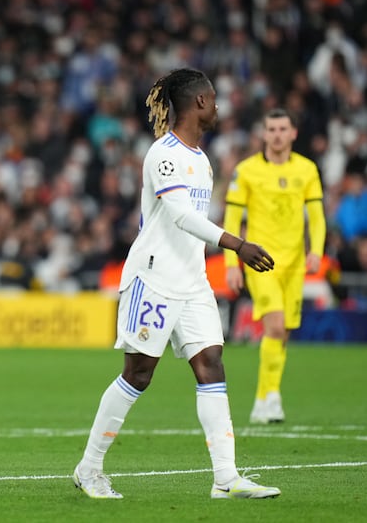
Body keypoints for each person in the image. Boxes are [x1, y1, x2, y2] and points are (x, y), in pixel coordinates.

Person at [72, 68, 280, 500]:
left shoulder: (201, 160)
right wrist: (237, 245)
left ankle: (226, 478)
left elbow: (192, 224)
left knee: (211, 365)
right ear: (199, 102)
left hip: (193, 282)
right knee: (139, 374)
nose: (219, 106)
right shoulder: (163, 155)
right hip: (153, 279)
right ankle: (89, 469)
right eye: (214, 99)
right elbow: (183, 216)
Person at [223, 108, 326, 424]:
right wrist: (232, 262)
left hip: (294, 264)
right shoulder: (247, 171)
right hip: (261, 263)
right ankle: (272, 398)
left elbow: (317, 216)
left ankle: (263, 399)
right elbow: (231, 219)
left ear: (293, 133)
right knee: (276, 326)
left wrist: (316, 251)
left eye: (283, 129)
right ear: (264, 134)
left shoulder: (307, 170)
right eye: (272, 129)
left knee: (282, 334)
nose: (277, 134)